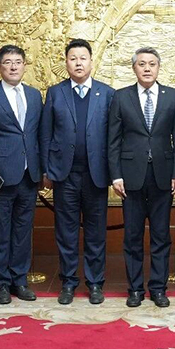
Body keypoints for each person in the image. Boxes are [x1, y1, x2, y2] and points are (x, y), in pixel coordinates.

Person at [108, 47, 175, 308]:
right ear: (134, 68)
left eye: (152, 63)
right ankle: (135, 289)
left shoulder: (172, 96)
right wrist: (115, 175)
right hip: (130, 177)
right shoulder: (121, 96)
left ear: (159, 67)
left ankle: (159, 289)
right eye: (142, 64)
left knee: (161, 236)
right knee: (132, 236)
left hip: (163, 175)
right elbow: (113, 140)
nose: (147, 68)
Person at [40, 39, 114, 305]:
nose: (78, 63)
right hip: (65, 174)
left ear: (91, 62)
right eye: (73, 58)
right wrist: (46, 170)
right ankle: (69, 283)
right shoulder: (55, 92)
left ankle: (95, 283)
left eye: (83, 58)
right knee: (66, 232)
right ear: (66, 63)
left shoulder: (107, 93)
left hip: (96, 174)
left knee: (96, 233)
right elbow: (45, 134)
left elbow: (114, 137)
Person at [0, 45, 43, 305]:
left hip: (29, 175)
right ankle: (1, 283)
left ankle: (19, 280)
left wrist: (43, 171)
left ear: (24, 65)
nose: (13, 66)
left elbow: (39, 135)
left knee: (23, 231)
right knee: (0, 232)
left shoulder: (34, 95)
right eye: (7, 62)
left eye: (17, 62)